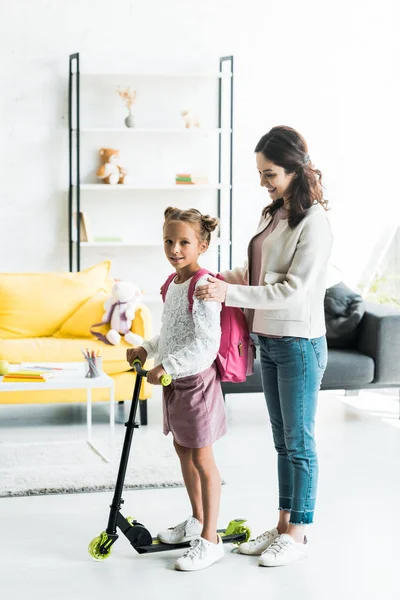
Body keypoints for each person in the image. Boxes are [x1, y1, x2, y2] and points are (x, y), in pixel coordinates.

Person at [195, 125, 333, 567]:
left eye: (269, 173)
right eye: (260, 173)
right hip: (268, 340)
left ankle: (298, 532)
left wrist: (229, 295)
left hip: (298, 343)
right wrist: (215, 279)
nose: (263, 181)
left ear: (295, 169)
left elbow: (292, 290)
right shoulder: (272, 213)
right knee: (282, 442)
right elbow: (255, 272)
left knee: (300, 443)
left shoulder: (315, 223)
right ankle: (280, 525)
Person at [126, 206, 227, 572]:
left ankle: (211, 539)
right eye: (168, 241)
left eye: (184, 242)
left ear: (201, 244)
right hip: (174, 382)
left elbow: (206, 343)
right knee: (182, 450)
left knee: (202, 458)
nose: (174, 249)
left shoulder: (203, 285)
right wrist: (148, 349)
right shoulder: (173, 283)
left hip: (195, 383)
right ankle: (197, 520)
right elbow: (170, 335)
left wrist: (167, 365)